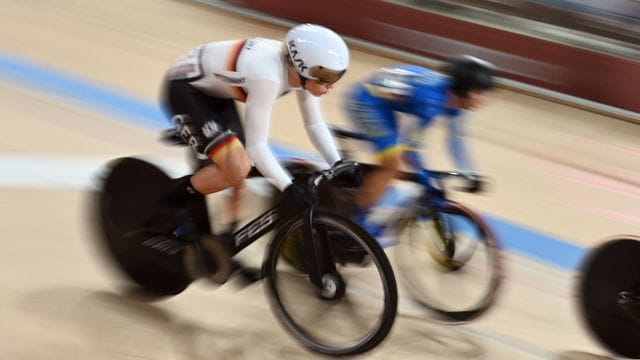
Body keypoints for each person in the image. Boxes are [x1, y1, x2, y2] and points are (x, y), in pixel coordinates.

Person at [150, 23, 353, 279]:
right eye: (327, 78)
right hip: (186, 88)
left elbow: (314, 123)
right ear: (303, 68)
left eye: (336, 77)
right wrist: (287, 188)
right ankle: (169, 204)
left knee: (241, 165)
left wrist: (339, 162)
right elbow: (259, 147)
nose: (331, 85)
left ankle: (225, 244)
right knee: (237, 165)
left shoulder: (300, 73)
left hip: (217, 92)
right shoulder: (267, 76)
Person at [343, 56, 495, 234]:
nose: (482, 100)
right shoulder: (431, 100)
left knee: (401, 162)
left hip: (384, 104)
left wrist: (469, 172)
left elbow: (456, 139)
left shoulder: (455, 101)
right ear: (463, 90)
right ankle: (355, 222)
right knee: (392, 164)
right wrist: (426, 178)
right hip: (366, 102)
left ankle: (368, 191)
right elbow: (411, 149)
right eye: (479, 92)